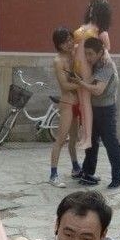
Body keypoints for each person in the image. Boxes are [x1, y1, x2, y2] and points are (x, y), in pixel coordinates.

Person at [71, 37, 120, 189]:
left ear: (100, 52)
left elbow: (98, 90)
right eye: (86, 53)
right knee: (91, 143)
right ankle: (88, 173)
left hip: (106, 110)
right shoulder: (93, 63)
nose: (88, 57)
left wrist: (81, 83)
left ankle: (117, 178)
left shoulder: (107, 65)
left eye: (91, 54)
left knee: (111, 143)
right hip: (92, 109)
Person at [73, 0, 112, 150]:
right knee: (82, 105)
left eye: (93, 7)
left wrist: (105, 54)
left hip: (86, 68)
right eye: (90, 6)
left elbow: (106, 50)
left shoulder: (101, 32)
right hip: (76, 66)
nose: (90, 9)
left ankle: (88, 138)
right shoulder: (85, 27)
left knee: (86, 103)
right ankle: (84, 136)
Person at [48, 28, 82, 188]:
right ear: (58, 45)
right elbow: (65, 85)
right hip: (67, 103)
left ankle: (76, 168)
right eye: (65, 42)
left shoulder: (74, 54)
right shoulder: (58, 61)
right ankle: (53, 175)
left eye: (70, 39)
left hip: (78, 103)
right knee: (60, 140)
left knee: (74, 139)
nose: (69, 43)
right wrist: (83, 84)